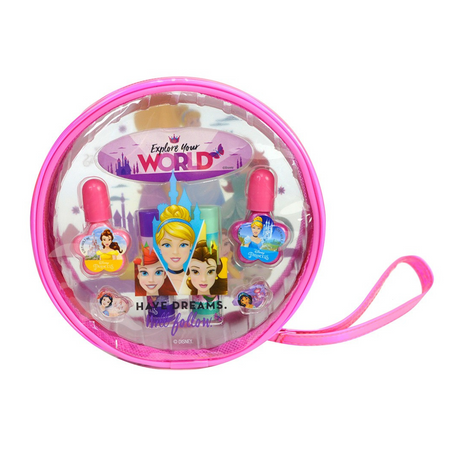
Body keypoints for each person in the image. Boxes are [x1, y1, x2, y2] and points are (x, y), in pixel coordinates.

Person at [155, 204, 196, 292]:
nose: (175, 252)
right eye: (167, 245)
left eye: (183, 245)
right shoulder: (154, 282)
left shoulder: (197, 281)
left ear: (191, 245)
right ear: (159, 245)